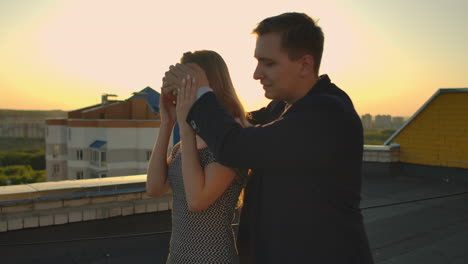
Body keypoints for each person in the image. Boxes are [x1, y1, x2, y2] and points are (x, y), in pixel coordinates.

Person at [164, 12, 374, 264]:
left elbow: (234, 146)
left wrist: (201, 92)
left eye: (268, 63)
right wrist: (187, 97)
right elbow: (235, 120)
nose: (256, 74)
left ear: (305, 64)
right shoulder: (280, 108)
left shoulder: (327, 113)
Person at [146, 50, 250, 264]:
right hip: (177, 257)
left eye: (187, 83)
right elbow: (154, 188)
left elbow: (197, 200)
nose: (180, 91)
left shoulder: (230, 137)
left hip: (213, 258)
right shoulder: (186, 143)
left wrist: (185, 126)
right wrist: (167, 124)